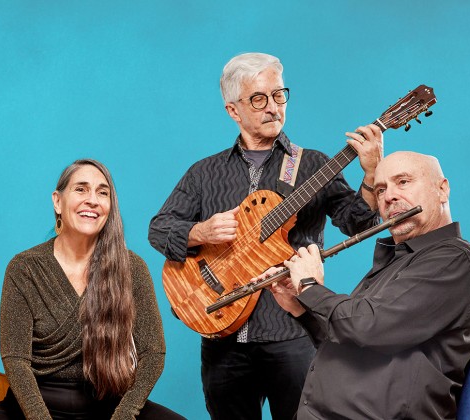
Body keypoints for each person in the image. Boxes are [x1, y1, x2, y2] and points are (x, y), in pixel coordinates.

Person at [148, 52, 384, 419]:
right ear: (233, 110)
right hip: (222, 339)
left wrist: (371, 174)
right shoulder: (204, 173)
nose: (273, 107)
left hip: (292, 334)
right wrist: (200, 230)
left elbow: (360, 223)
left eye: (278, 95)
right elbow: (159, 229)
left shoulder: (312, 164)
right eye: (259, 99)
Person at [268, 151, 470, 419]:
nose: (389, 196)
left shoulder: (453, 259)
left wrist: (309, 286)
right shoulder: (396, 261)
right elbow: (350, 339)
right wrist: (300, 307)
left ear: (442, 190)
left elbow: (367, 328)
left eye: (403, 182)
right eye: (381, 189)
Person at [0, 159, 184, 420]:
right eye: (81, 189)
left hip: (109, 404)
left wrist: (125, 414)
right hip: (35, 404)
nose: (92, 200)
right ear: (57, 201)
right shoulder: (24, 267)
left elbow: (153, 354)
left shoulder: (132, 267)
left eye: (102, 192)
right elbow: (16, 360)